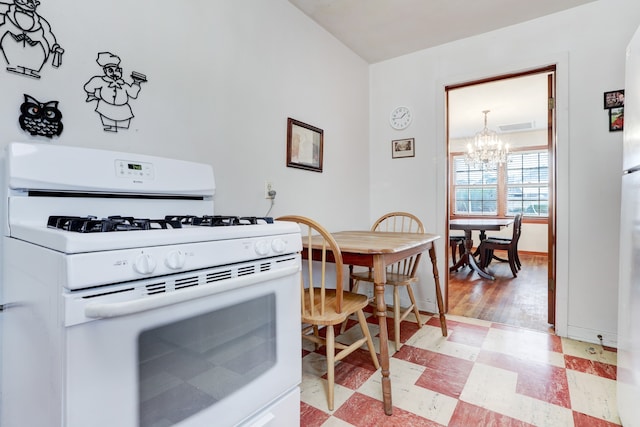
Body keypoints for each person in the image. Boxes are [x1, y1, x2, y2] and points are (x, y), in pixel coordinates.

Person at [84, 52, 146, 132]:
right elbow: (88, 87)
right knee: (108, 126)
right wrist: (97, 94)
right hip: (105, 108)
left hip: (122, 110)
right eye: (110, 70)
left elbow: (133, 94)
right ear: (105, 71)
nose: (114, 73)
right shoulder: (100, 80)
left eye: (117, 70)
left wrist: (136, 83)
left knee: (123, 126)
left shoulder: (124, 84)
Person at [0, 0, 64, 78]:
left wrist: (54, 46)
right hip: (13, 41)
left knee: (36, 56)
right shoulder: (8, 13)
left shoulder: (40, 21)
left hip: (35, 45)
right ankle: (15, 65)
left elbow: (47, 33)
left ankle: (31, 69)